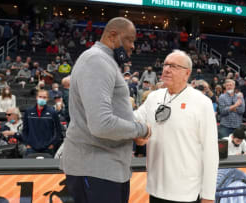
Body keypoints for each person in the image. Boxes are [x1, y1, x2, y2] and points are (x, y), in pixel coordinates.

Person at [60, 17, 150, 203]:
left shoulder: (103, 61)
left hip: (106, 168)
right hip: (95, 169)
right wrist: (141, 129)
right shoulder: (97, 61)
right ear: (112, 35)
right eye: (130, 40)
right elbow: (101, 124)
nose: (133, 46)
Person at [134, 50, 218, 203]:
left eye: (173, 66)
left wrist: (208, 195)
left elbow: (211, 152)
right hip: (155, 188)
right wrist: (138, 134)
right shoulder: (154, 97)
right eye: (165, 65)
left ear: (187, 73)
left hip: (186, 192)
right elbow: (134, 121)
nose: (166, 69)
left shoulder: (202, 103)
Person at [22, 90, 62, 156]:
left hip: (48, 148)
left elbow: (58, 131)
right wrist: (27, 144)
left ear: (47, 99)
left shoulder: (53, 112)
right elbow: (25, 130)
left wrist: (52, 144)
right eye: (40, 97)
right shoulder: (28, 111)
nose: (42, 99)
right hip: (31, 148)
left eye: (44, 97)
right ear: (36, 97)